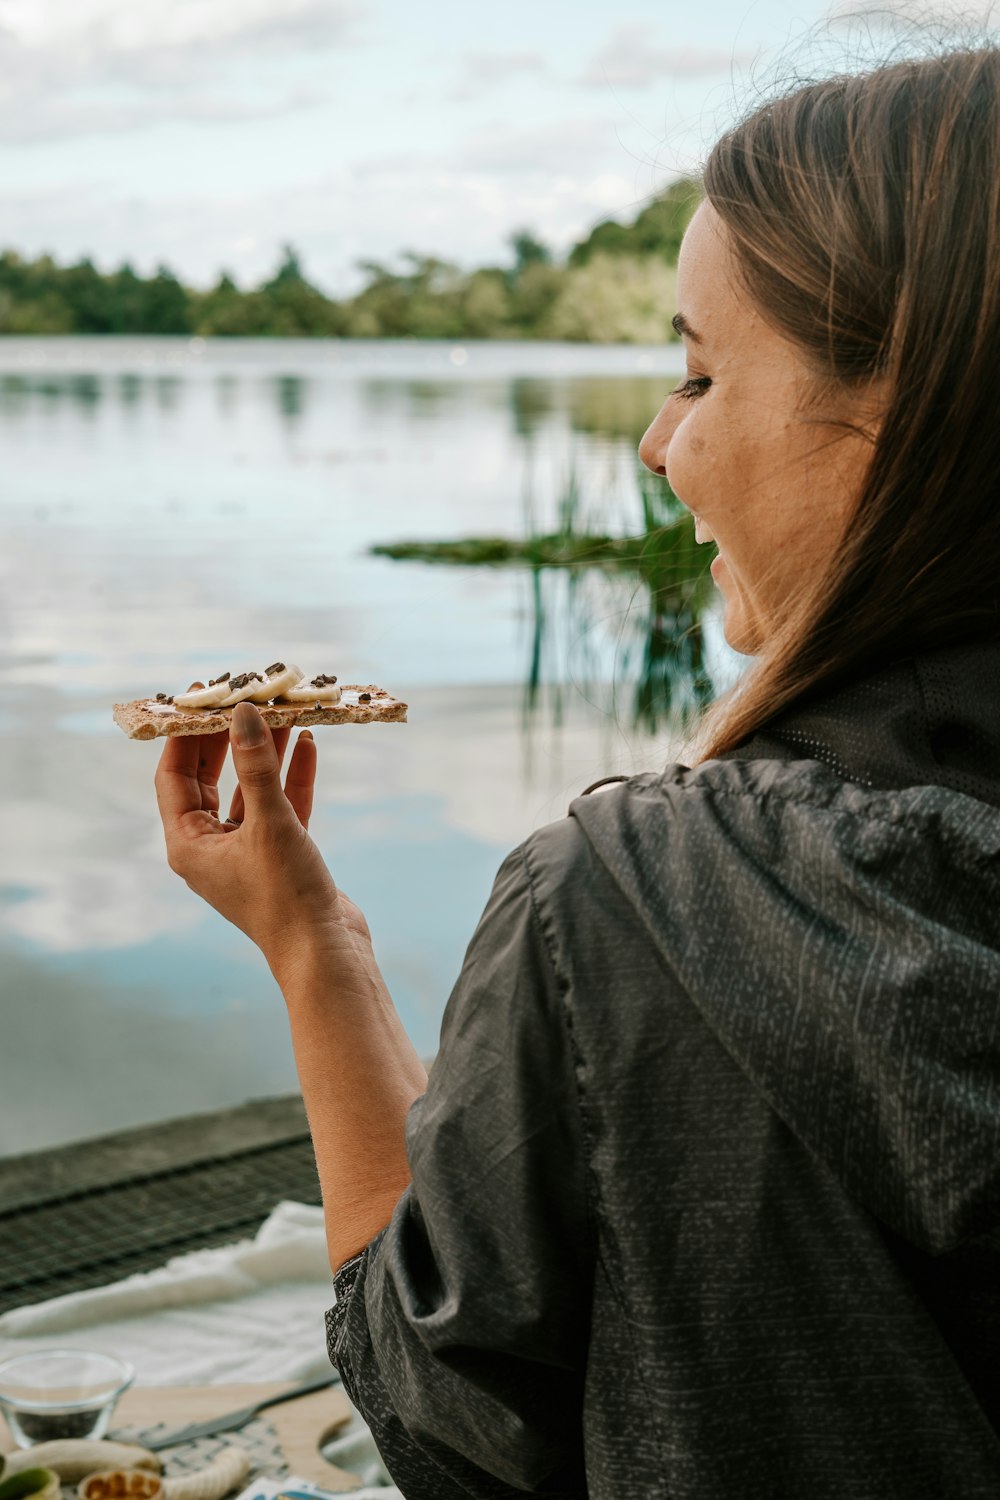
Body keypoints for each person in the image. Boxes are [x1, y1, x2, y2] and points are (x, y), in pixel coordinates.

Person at [155, 44, 1000, 1500]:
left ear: (911, 412)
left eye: (701, 369)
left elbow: (448, 1423)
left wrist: (317, 951)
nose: (663, 444)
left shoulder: (630, 905)